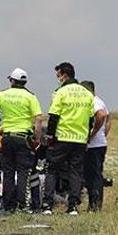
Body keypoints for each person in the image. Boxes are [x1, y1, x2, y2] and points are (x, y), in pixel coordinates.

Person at [0, 68, 43, 214]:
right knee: (23, 172)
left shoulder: (3, 94)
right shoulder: (31, 97)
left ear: (12, 81)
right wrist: (37, 138)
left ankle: (8, 205)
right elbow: (38, 119)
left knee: (8, 172)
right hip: (24, 138)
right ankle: (21, 205)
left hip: (7, 137)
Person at [42, 62, 94, 216]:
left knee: (52, 170)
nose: (58, 78)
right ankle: (73, 207)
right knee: (76, 172)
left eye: (58, 75)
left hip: (62, 137)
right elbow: (91, 119)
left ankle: (47, 205)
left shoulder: (61, 92)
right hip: (79, 139)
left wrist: (50, 136)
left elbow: (54, 116)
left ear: (64, 75)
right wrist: (86, 136)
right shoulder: (87, 94)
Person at [81, 80, 110, 211]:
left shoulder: (93, 101)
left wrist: (92, 135)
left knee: (94, 176)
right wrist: (104, 133)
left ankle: (95, 204)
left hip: (94, 146)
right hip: (99, 143)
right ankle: (93, 203)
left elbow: (102, 115)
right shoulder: (101, 101)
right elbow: (108, 119)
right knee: (92, 175)